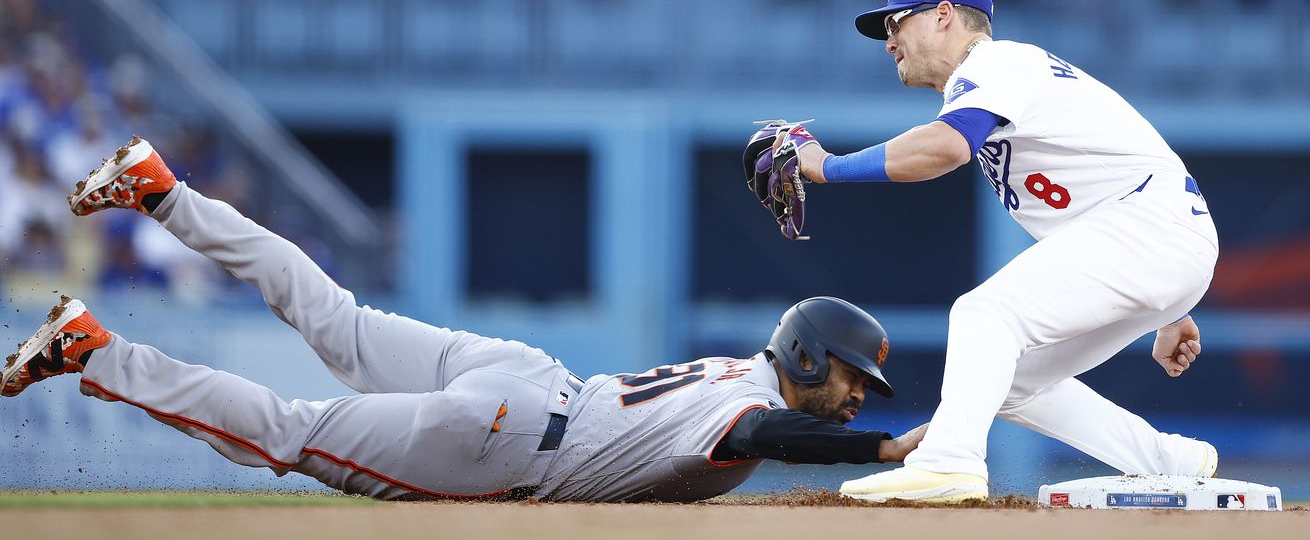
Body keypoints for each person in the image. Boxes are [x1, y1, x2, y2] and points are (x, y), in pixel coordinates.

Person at [2, 137, 925, 502]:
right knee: (290, 433)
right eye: (850, 376)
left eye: (863, 391)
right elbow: (770, 430)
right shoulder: (753, 402)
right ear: (808, 352)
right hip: (507, 437)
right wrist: (878, 450)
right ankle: (96, 348)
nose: (855, 395)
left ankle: (161, 188)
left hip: (522, 377)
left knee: (331, 315)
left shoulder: (736, 370)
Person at [784, 0, 1219, 503]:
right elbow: (1088, 201)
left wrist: (825, 166)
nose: (889, 40)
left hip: (1151, 227)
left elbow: (944, 148)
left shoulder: (997, 62)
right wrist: (1170, 306)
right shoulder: (996, 84)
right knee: (1002, 378)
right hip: (1153, 236)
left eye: (896, 22)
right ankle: (1167, 460)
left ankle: (949, 462)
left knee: (984, 314)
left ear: (943, 15)